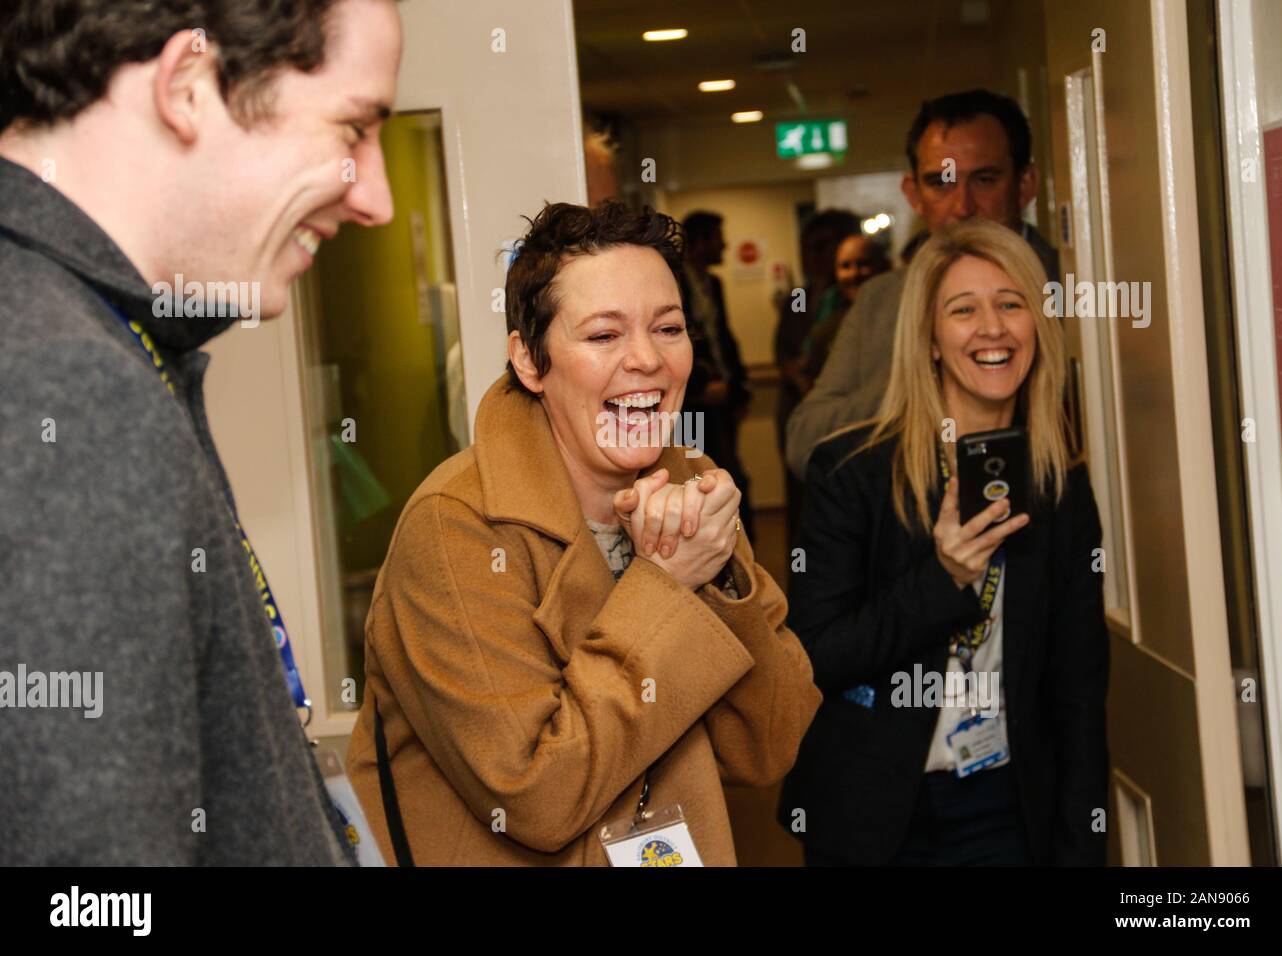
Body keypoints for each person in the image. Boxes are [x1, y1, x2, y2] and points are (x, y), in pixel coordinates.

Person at [0, 0, 401, 864]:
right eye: (353, 129)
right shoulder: (65, 383)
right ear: (186, 84)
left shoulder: (92, 327)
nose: (375, 197)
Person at [346, 201, 821, 866]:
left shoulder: (695, 490)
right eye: (603, 336)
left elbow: (770, 744)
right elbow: (537, 797)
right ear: (530, 362)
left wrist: (714, 577)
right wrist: (665, 586)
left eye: (670, 328)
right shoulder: (454, 527)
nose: (648, 360)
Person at [779, 219, 1108, 866]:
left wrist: (1081, 849)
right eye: (964, 310)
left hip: (1007, 808)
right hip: (877, 816)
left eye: (1011, 304)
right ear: (929, 339)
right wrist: (943, 578)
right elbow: (813, 658)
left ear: (1037, 328)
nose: (992, 327)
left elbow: (1078, 697)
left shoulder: (1059, 486)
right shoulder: (853, 473)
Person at [785, 89, 1061, 480]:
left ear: (1025, 184)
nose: (963, 206)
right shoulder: (882, 300)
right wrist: (915, 372)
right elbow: (804, 446)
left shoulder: (1073, 288)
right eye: (940, 183)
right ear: (913, 194)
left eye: (984, 179)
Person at [774, 208, 863, 547]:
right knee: (801, 504)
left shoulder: (860, 295)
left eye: (823, 246)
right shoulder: (798, 298)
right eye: (808, 246)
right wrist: (798, 378)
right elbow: (784, 351)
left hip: (843, 417)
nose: (813, 255)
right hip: (799, 409)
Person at [678, 210, 755, 537]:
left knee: (730, 469)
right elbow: (677, 340)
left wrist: (739, 388)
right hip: (692, 405)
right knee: (698, 473)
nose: (724, 245)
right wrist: (699, 386)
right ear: (700, 242)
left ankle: (741, 545)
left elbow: (724, 337)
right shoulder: (674, 280)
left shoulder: (713, 283)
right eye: (718, 237)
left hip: (722, 400)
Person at [804, 233, 891, 383]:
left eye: (863, 264)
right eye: (845, 266)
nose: (854, 273)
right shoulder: (801, 296)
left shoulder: (900, 317)